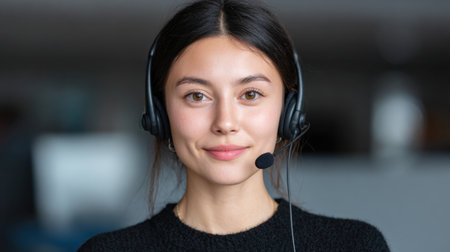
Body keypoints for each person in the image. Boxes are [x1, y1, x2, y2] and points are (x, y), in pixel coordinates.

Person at [79, 0, 390, 251]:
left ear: (288, 110)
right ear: (160, 113)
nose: (225, 122)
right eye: (197, 95)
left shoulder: (354, 245)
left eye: (250, 94)